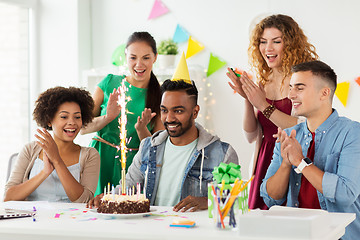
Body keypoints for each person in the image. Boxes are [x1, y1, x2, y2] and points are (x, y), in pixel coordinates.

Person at [88, 54, 239, 212]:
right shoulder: (148, 146)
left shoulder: (223, 153)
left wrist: (207, 201)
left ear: (195, 112)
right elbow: (129, 185)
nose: (169, 118)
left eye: (178, 111)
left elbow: (235, 201)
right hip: (152, 230)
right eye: (164, 111)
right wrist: (109, 197)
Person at [226, 14, 318, 209]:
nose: (268, 48)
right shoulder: (263, 80)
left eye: (276, 41)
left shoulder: (303, 80)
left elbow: (304, 127)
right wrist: (248, 100)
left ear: (291, 45)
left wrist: (262, 105)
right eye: (263, 42)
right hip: (264, 159)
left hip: (292, 160)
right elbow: (251, 136)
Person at [260, 61, 360, 240]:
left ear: (324, 93)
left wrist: (300, 161)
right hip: (295, 235)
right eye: (290, 88)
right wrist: (285, 163)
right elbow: (270, 197)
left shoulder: (352, 133)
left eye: (299, 88)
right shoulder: (290, 136)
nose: (290, 95)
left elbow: (345, 194)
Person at [81, 32, 164, 196]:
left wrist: (142, 129)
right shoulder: (109, 82)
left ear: (155, 57)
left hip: (133, 167)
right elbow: (82, 128)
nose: (139, 64)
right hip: (99, 159)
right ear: (125, 57)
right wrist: (108, 117)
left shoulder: (161, 95)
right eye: (133, 57)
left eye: (146, 58)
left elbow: (157, 148)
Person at [4, 87, 100, 203]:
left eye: (77, 117)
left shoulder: (90, 155)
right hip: (33, 219)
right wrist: (44, 172)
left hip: (73, 220)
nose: (72, 122)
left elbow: (83, 200)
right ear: (49, 120)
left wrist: (57, 160)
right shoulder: (30, 149)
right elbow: (9, 197)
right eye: (64, 117)